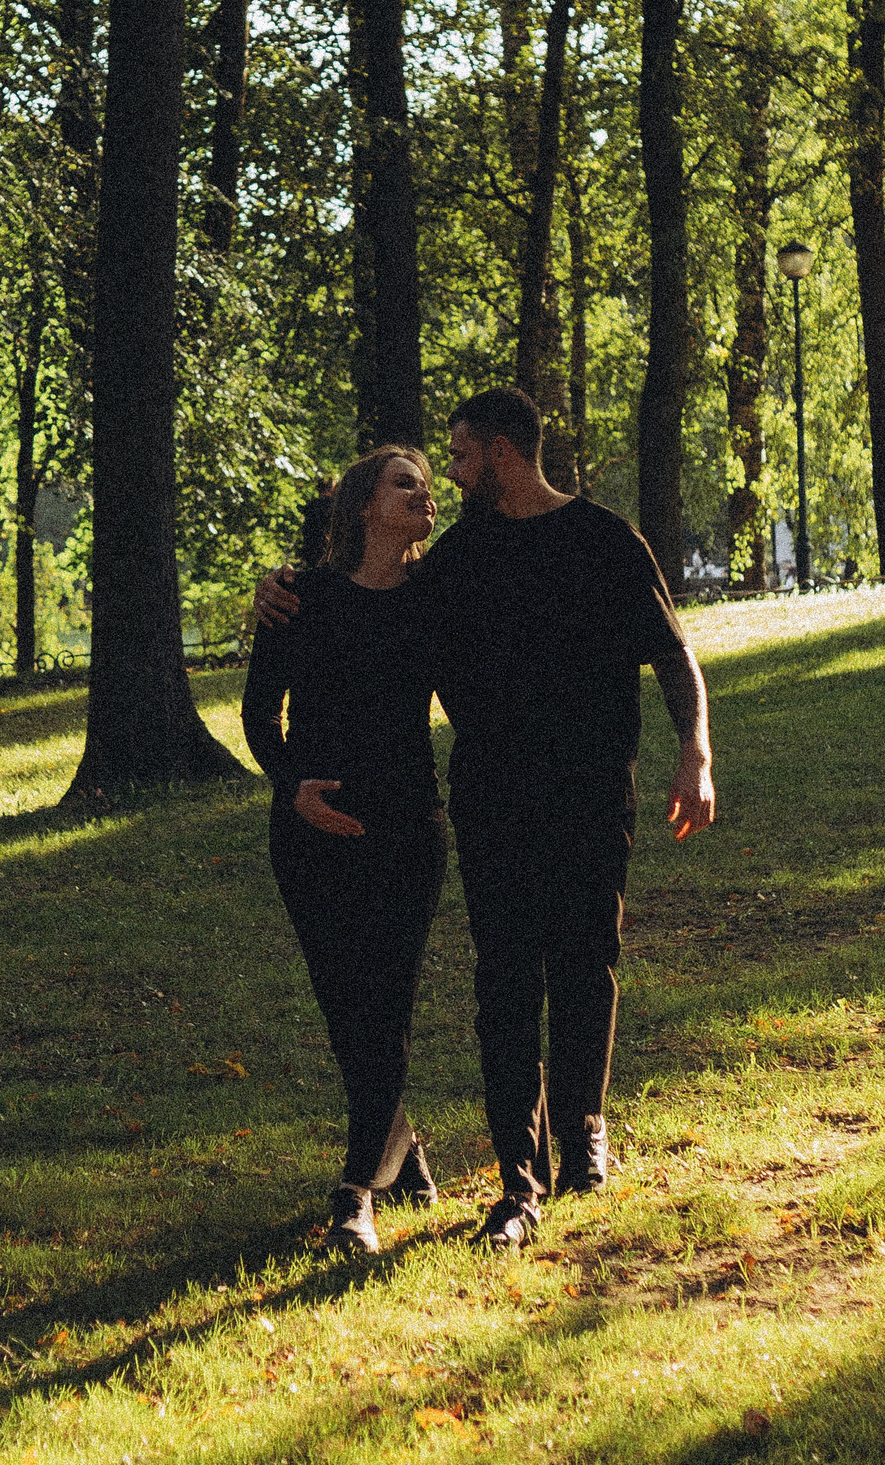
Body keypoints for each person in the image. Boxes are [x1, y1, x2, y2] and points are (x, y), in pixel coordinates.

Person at [256, 388, 715, 1250]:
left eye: (460, 457)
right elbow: (369, 606)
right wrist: (281, 592)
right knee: (504, 982)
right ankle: (520, 1175)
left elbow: (671, 649)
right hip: (492, 801)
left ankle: (583, 1129)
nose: (451, 476)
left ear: (501, 452)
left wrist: (695, 751)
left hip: (591, 793)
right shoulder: (456, 562)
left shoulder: (606, 540)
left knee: (586, 959)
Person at [241, 446, 448, 1255]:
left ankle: (356, 1193)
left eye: (430, 484)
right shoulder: (301, 596)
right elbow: (262, 717)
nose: (423, 492)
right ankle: (405, 1152)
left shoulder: (438, 598)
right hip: (308, 832)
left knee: (385, 1010)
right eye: (405, 481)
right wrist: (293, 786)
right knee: (348, 1015)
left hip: (405, 830)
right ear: (363, 504)